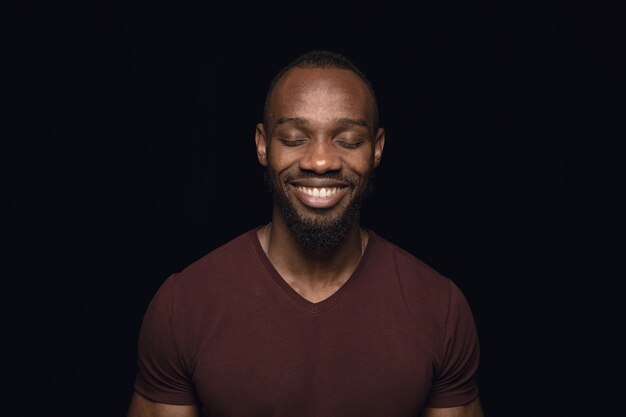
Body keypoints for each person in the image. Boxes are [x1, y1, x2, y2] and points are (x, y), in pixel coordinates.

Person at [127, 50, 484, 417]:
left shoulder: (439, 309)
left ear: (376, 149)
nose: (320, 161)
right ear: (263, 145)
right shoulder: (183, 304)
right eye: (295, 138)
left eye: (347, 140)